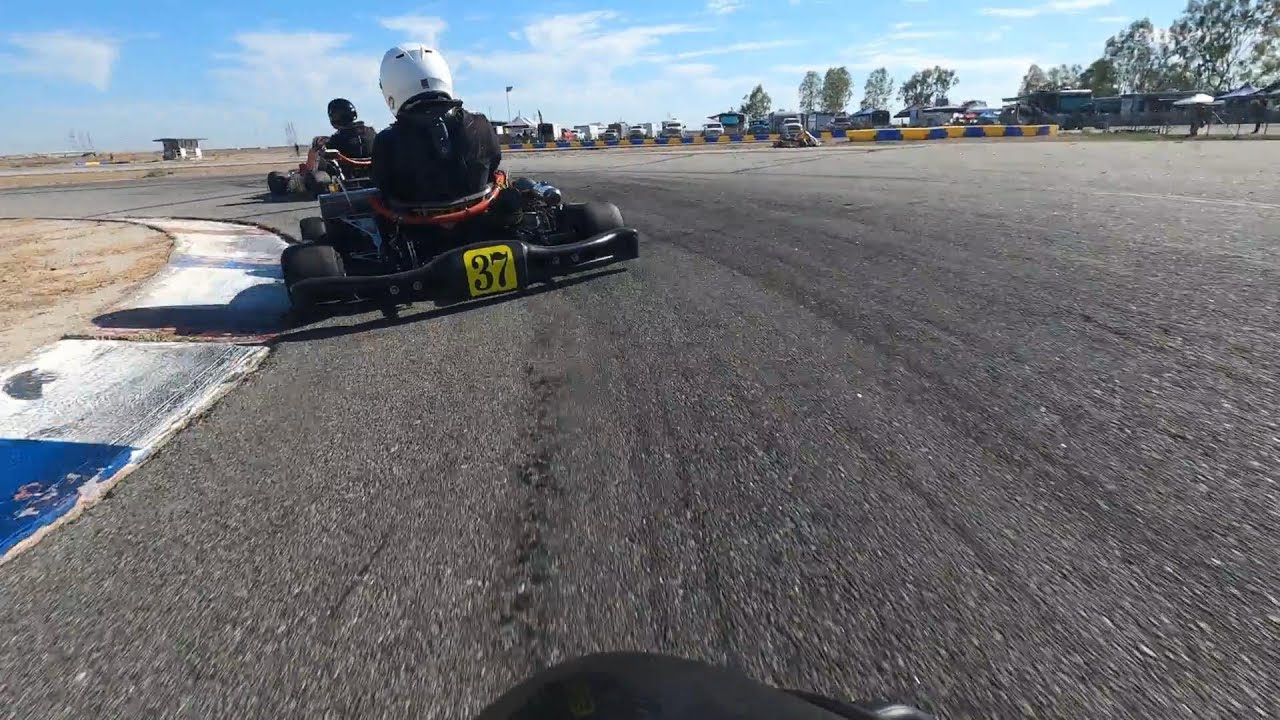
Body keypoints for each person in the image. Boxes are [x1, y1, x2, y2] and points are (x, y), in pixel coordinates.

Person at [371, 44, 505, 205]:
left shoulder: (386, 140)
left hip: (414, 228)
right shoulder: (480, 123)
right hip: (480, 223)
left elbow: (384, 187)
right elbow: (493, 165)